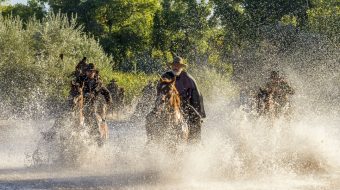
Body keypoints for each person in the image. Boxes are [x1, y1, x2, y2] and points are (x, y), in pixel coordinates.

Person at [160, 56, 206, 143]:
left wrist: (199, 112)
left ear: (181, 67)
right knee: (152, 116)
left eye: (178, 65)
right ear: (171, 66)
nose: (176, 67)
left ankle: (195, 141)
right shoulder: (165, 76)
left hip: (183, 103)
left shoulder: (189, 79)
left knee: (195, 118)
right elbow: (160, 90)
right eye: (174, 65)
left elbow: (197, 95)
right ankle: (152, 140)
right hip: (167, 102)